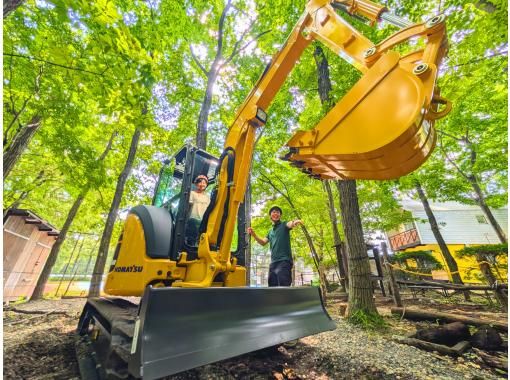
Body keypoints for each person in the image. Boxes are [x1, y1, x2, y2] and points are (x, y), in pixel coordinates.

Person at [247, 206, 302, 286]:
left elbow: (290, 224)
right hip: (273, 263)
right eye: (273, 212)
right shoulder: (270, 231)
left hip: (284, 261)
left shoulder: (284, 225)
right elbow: (263, 242)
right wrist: (254, 235)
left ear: (280, 215)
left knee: (283, 287)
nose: (275, 213)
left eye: (277, 212)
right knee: (272, 288)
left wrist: (294, 222)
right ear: (270, 215)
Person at [186, 175, 211, 246]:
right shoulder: (192, 193)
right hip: (192, 218)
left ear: (206, 185)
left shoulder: (207, 197)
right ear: (196, 184)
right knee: (191, 238)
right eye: (200, 182)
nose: (202, 184)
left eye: (204, 183)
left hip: (202, 220)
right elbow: (188, 205)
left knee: (200, 239)